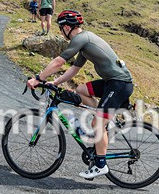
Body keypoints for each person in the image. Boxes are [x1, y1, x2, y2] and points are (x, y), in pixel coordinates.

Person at [27, 10, 133, 179]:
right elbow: (74, 69)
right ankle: (104, 118)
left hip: (119, 83)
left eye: (61, 29)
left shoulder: (81, 39)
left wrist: (38, 78)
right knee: (81, 90)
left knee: (97, 123)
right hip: (111, 82)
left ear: (66, 27)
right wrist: (55, 83)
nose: (61, 33)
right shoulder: (85, 45)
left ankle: (100, 165)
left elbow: (59, 62)